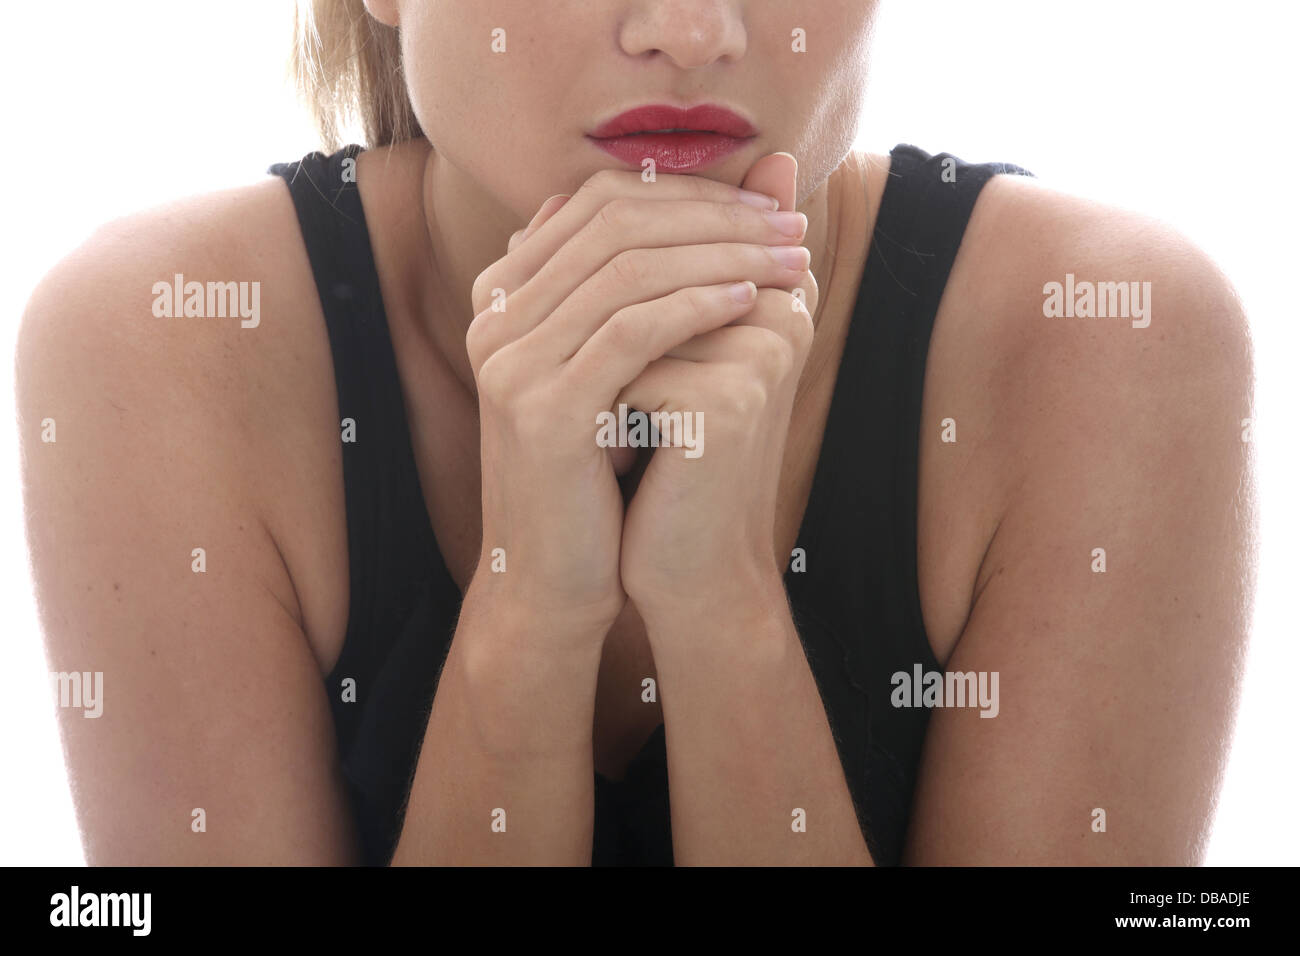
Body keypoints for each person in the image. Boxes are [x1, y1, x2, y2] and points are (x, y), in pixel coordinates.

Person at [17, 0, 1255, 865]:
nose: (690, 25)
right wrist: (530, 612)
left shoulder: (1107, 331)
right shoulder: (166, 338)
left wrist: (717, 605)